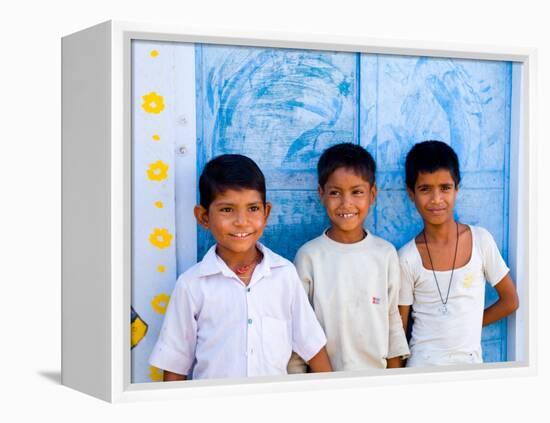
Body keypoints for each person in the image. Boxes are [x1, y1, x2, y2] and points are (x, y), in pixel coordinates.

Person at [149, 154, 332, 380]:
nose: (242, 221)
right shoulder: (191, 285)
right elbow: (175, 364)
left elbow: (312, 345)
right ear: (204, 217)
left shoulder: (284, 275)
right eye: (227, 210)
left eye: (253, 208)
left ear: (266, 213)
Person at [288, 143, 409, 373]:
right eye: (335, 193)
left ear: (372, 194)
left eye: (357, 192)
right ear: (321, 193)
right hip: (324, 386)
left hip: (376, 383)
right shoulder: (309, 257)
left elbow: (392, 321)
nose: (346, 203)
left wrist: (395, 380)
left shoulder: (384, 254)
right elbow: (299, 329)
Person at [398, 140, 519, 367]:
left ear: (457, 189)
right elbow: (399, 330)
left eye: (445, 188)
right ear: (411, 193)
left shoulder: (480, 241)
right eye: (425, 189)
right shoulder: (407, 258)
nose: (436, 199)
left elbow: (510, 301)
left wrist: (467, 324)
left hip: (469, 372)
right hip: (420, 372)